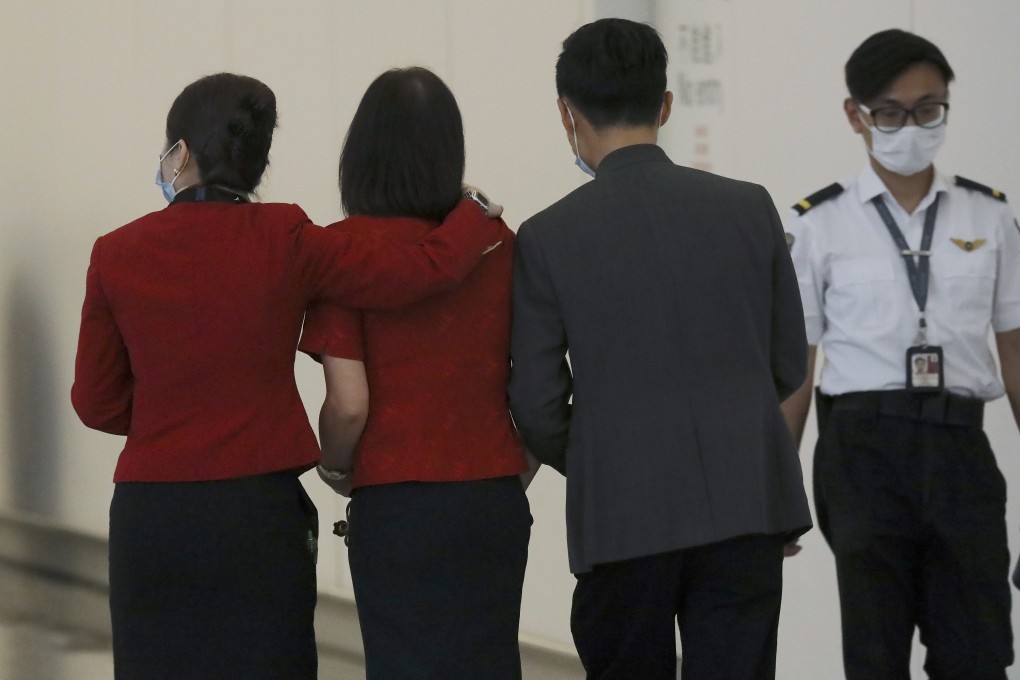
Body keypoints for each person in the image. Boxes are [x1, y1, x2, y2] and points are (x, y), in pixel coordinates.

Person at [70, 72, 504, 680]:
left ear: (180, 153)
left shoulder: (115, 251)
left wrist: (169, 419)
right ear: (259, 160)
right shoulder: (286, 236)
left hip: (154, 514)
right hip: (259, 513)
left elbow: (94, 401)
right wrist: (475, 213)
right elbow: (419, 272)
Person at [507, 18, 812, 680]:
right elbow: (788, 362)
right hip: (745, 508)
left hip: (622, 519)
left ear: (568, 112)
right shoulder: (748, 208)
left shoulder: (548, 236)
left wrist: (598, 452)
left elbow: (534, 403)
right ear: (665, 105)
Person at [783, 28, 1020, 679]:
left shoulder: (989, 218)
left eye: (928, 109)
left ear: (946, 105)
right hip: (862, 455)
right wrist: (774, 489)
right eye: (891, 112)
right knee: (875, 652)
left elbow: (1016, 354)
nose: (911, 126)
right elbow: (795, 370)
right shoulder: (816, 224)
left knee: (976, 653)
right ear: (855, 115)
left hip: (960, 451)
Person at [298, 67, 535, 680]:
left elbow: (348, 403)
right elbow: (535, 381)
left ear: (361, 155)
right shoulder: (499, 246)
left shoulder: (343, 251)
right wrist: (514, 469)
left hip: (394, 502)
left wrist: (338, 468)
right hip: (491, 498)